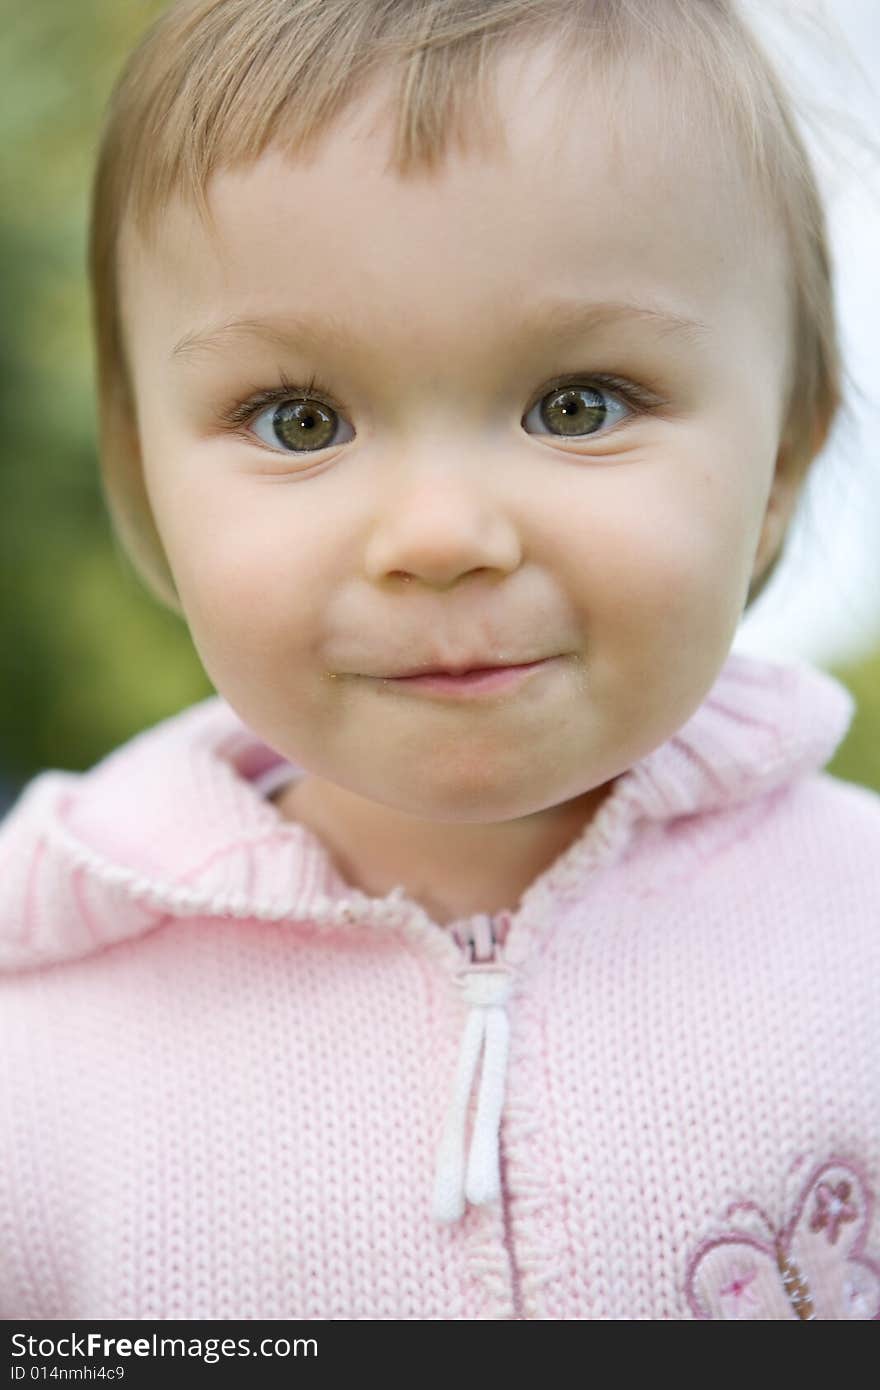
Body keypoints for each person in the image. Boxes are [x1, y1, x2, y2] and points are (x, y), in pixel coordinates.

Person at [1, 0, 878, 1321]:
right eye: (300, 419)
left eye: (575, 403)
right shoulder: (41, 1046)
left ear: (781, 463)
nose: (440, 537)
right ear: (146, 479)